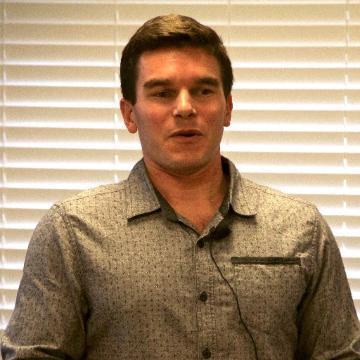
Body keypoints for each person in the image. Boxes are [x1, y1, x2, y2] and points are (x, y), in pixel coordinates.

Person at [1, 14, 360, 360]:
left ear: (228, 108)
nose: (185, 108)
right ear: (129, 114)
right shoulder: (71, 232)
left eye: (203, 90)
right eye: (162, 93)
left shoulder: (301, 228)